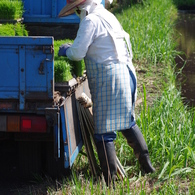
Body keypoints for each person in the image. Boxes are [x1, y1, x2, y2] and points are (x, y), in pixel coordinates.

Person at [58, 0, 155, 186]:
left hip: (108, 76)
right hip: (126, 73)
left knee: (103, 131)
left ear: (80, 7)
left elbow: (77, 53)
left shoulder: (90, 21)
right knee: (127, 121)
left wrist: (66, 50)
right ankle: (147, 166)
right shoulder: (109, 16)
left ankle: (109, 179)